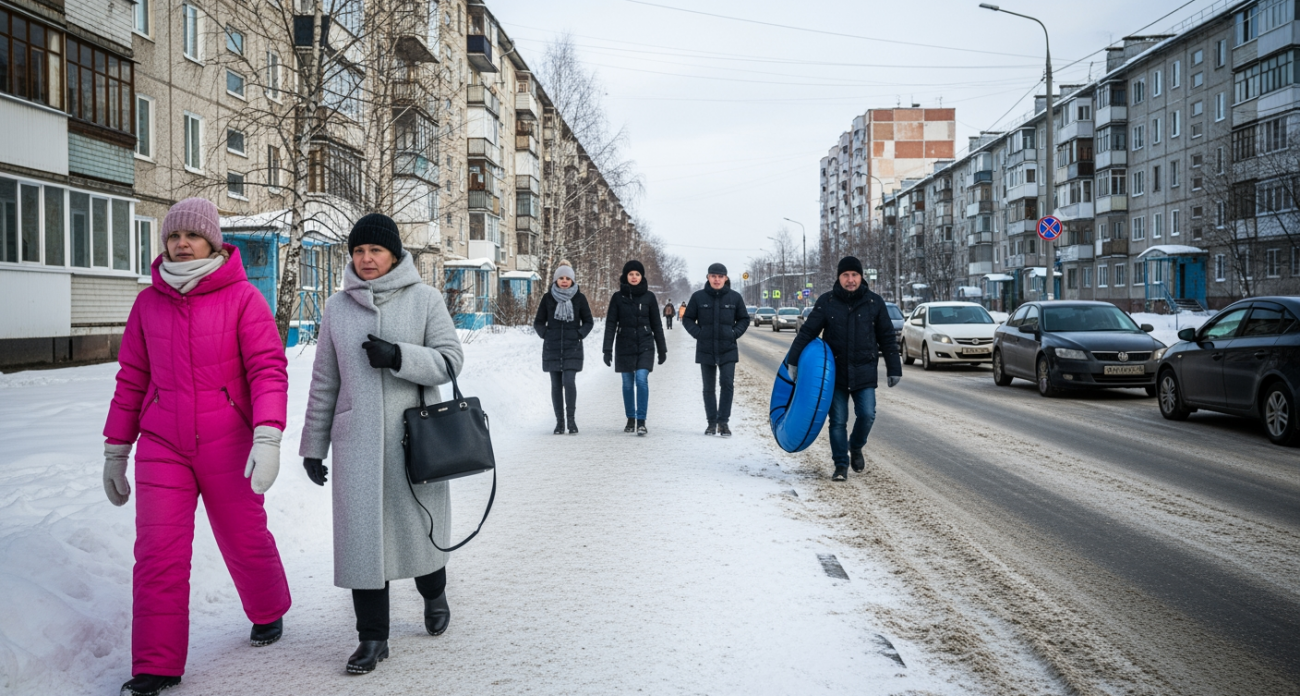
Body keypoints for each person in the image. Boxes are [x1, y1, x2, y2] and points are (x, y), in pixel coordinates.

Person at [102, 197, 291, 696]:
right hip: (163, 442)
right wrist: (116, 449)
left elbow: (268, 369)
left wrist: (267, 434)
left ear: (212, 241)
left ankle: (268, 609)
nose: (181, 244)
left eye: (191, 236)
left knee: (243, 535)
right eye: (173, 237)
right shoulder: (148, 303)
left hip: (228, 440)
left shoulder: (243, 299)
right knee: (158, 551)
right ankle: (156, 665)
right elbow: (132, 379)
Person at [299, 213, 465, 675]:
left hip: (415, 443)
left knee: (420, 536)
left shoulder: (426, 299)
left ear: (394, 253)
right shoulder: (337, 308)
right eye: (358, 251)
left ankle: (434, 594)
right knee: (362, 545)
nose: (366, 259)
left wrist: (399, 357)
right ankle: (372, 637)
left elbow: (452, 361)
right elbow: (324, 382)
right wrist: (314, 445)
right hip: (356, 445)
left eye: (375, 250)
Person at [785, 256, 901, 482]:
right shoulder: (827, 302)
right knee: (838, 421)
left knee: (867, 415)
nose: (850, 280)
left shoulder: (874, 303)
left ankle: (855, 446)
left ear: (861, 277)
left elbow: (887, 337)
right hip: (834, 375)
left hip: (864, 371)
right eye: (846, 275)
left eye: (854, 275)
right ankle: (840, 465)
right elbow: (808, 333)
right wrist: (794, 360)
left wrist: (893, 368)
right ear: (839, 277)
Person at [682, 263, 749, 437]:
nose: (717, 279)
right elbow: (687, 319)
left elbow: (744, 319)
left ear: (726, 278)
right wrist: (699, 333)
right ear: (708, 277)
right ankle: (711, 423)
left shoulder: (735, 297)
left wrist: (734, 333)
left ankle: (723, 423)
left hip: (728, 349)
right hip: (706, 349)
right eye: (713, 276)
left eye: (720, 276)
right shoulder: (698, 297)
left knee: (727, 385)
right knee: (708, 388)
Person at [603, 260, 667, 436]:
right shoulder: (618, 297)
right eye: (631, 274)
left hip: (645, 344)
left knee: (641, 379)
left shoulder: (649, 297)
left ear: (642, 276)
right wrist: (607, 349)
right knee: (627, 383)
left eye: (637, 274)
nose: (634, 277)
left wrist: (662, 349)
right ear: (625, 276)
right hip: (624, 343)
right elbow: (610, 324)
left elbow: (657, 325)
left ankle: (641, 421)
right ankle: (630, 418)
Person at [533, 260, 594, 434]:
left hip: (572, 347)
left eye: (568, 278)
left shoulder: (579, 298)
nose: (565, 281)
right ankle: (559, 423)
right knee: (556, 384)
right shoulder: (547, 298)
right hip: (552, 347)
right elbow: (538, 322)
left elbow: (588, 321)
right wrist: (546, 334)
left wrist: (579, 334)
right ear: (556, 280)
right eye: (561, 278)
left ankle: (571, 421)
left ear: (573, 280)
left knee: (569, 381)